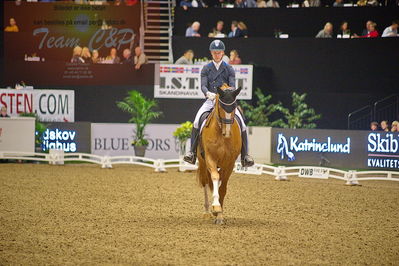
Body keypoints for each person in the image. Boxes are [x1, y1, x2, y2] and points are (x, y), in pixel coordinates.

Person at [183, 40, 254, 167]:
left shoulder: (229, 68)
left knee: (242, 124)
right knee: (196, 120)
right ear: (211, 53)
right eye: (215, 53)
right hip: (211, 101)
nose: (217, 55)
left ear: (223, 53)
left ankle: (245, 156)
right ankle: (192, 153)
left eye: (219, 53)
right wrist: (208, 94)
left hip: (226, 102)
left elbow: (232, 86)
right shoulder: (206, 68)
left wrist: (226, 94)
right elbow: (203, 85)